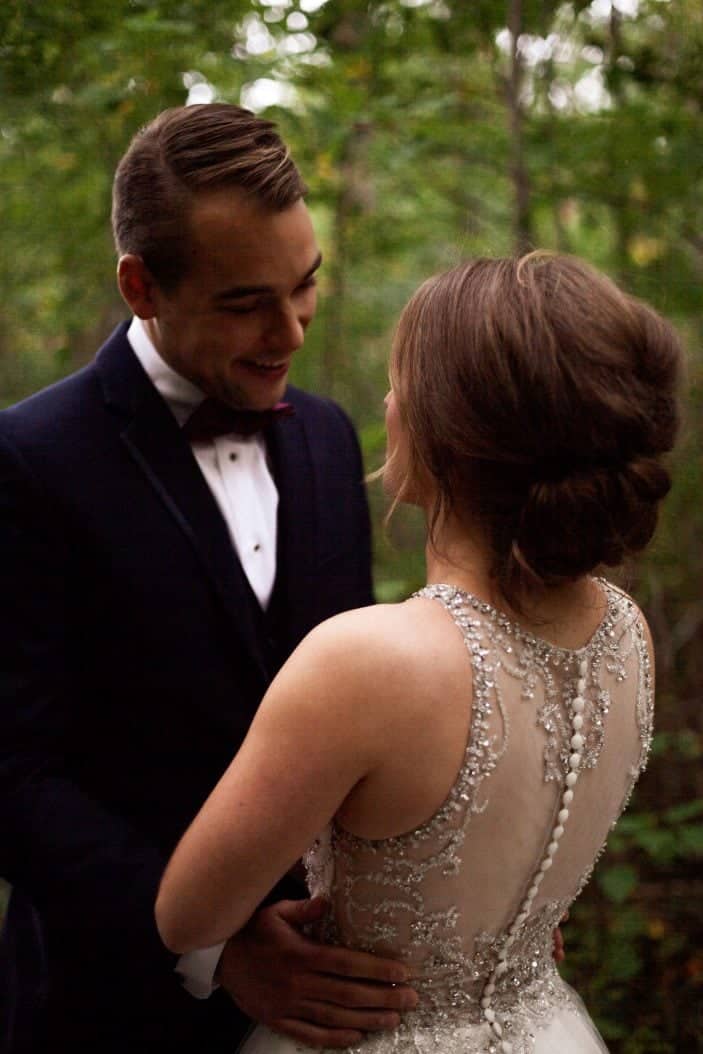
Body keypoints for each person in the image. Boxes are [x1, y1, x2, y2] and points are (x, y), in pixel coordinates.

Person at [156, 252, 682, 1054]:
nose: (389, 400)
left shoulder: (369, 662)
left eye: (403, 382)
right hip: (546, 1027)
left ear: (448, 432)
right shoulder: (626, 631)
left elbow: (187, 915)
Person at [0, 104, 417, 1053]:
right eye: (244, 303)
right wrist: (214, 946)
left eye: (304, 286)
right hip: (104, 1007)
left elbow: (357, 724)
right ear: (140, 285)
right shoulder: (25, 461)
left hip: (329, 1004)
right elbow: (13, 776)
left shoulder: (320, 437)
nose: (291, 332)